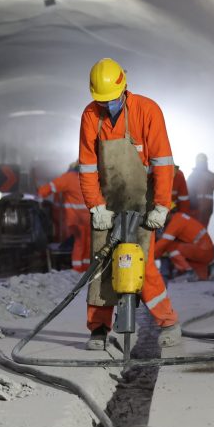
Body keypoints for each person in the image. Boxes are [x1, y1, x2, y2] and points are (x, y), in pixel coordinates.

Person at [78, 57, 181, 350]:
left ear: (124, 88)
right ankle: (98, 329)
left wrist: (161, 206)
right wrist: (96, 207)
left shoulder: (147, 110)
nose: (107, 105)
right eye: (101, 101)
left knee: (140, 262)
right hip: (107, 202)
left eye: (111, 100)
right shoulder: (90, 115)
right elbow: (87, 167)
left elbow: (162, 162)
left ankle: (169, 321)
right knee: (100, 265)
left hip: (142, 199)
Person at [37, 163, 91, 272]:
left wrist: (39, 194)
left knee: (80, 243)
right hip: (90, 219)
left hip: (76, 219)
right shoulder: (90, 178)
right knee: (88, 243)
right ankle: (86, 268)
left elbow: (50, 187)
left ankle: (78, 269)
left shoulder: (69, 178)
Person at [155, 205, 214, 281]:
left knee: (170, 247)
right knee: (202, 277)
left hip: (203, 252)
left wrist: (150, 256)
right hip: (205, 252)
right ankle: (208, 268)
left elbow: (163, 243)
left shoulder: (176, 223)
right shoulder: (180, 217)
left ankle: (188, 272)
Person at [187, 153, 214, 227]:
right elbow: (187, 190)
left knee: (200, 229)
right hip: (198, 207)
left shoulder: (208, 175)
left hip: (204, 207)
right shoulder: (194, 175)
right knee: (199, 229)